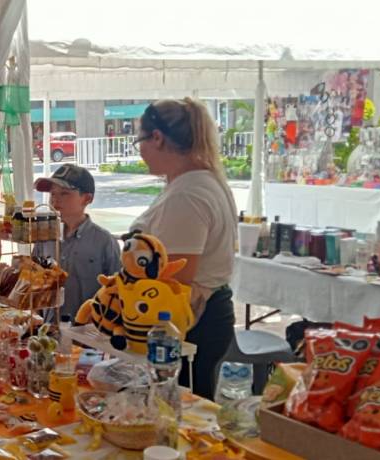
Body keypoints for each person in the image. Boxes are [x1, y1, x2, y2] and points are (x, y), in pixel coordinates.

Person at [129, 98, 238, 399]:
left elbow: (175, 282)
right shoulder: (198, 182)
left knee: (180, 414)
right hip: (200, 317)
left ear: (157, 138)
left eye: (139, 140)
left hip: (187, 324)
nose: (139, 150)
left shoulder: (188, 194)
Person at [34, 164, 121, 319]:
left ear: (87, 198)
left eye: (64, 193)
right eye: (53, 193)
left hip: (88, 335)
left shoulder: (105, 242)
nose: (55, 199)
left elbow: (118, 291)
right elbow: (34, 281)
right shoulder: (44, 236)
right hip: (46, 332)